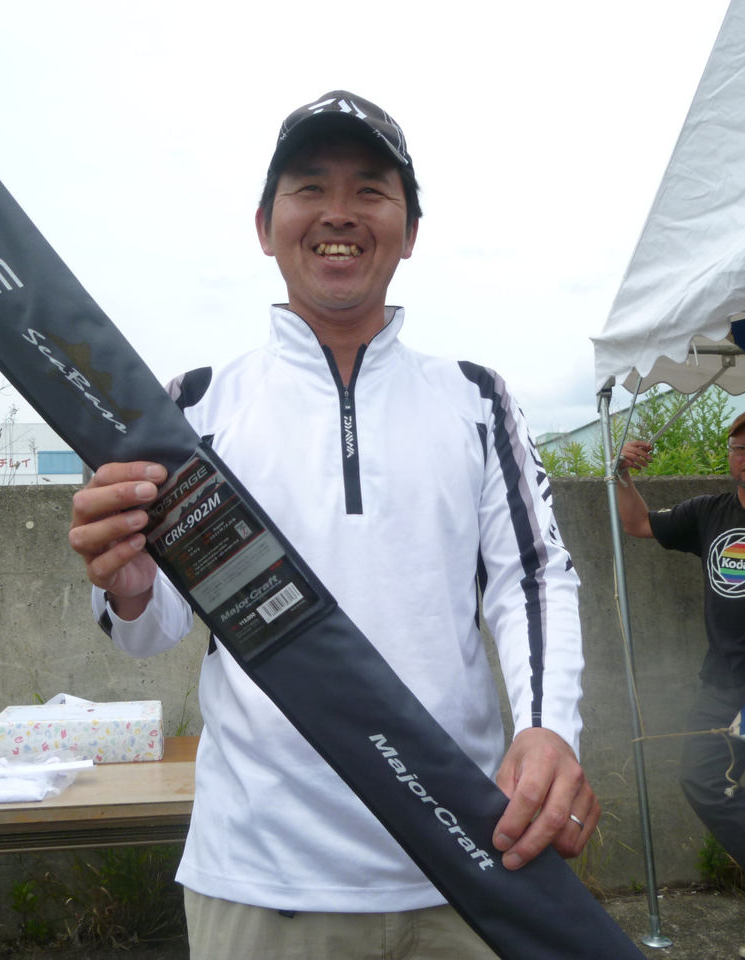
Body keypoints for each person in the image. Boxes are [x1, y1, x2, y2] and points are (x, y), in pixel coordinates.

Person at [69, 91, 596, 959]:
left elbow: (532, 576)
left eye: (371, 191)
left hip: (466, 857)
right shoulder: (195, 407)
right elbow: (151, 628)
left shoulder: (475, 396)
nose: (339, 214)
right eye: (310, 187)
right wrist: (128, 582)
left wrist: (548, 726)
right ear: (264, 224)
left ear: (410, 230)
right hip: (260, 874)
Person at [616, 410, 745, 960]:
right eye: (740, 447)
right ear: (730, 455)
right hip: (721, 683)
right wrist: (621, 474)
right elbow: (638, 525)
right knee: (701, 777)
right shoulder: (708, 511)